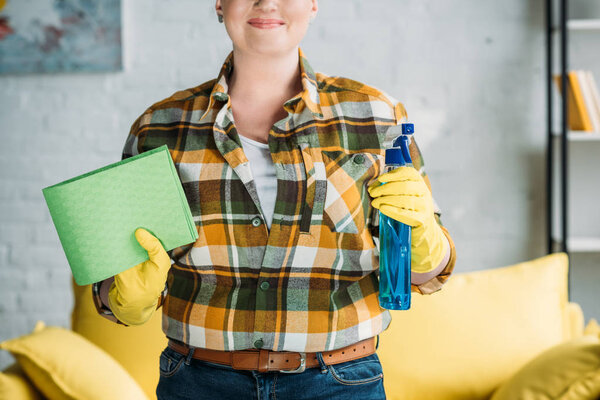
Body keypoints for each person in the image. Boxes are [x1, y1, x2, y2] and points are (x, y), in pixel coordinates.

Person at [91, 0, 457, 398]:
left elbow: (428, 274)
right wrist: (122, 296)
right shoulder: (158, 128)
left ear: (313, 4)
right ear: (219, 3)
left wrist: (424, 242)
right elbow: (112, 285)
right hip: (198, 383)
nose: (266, 2)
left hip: (339, 384)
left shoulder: (376, 117)